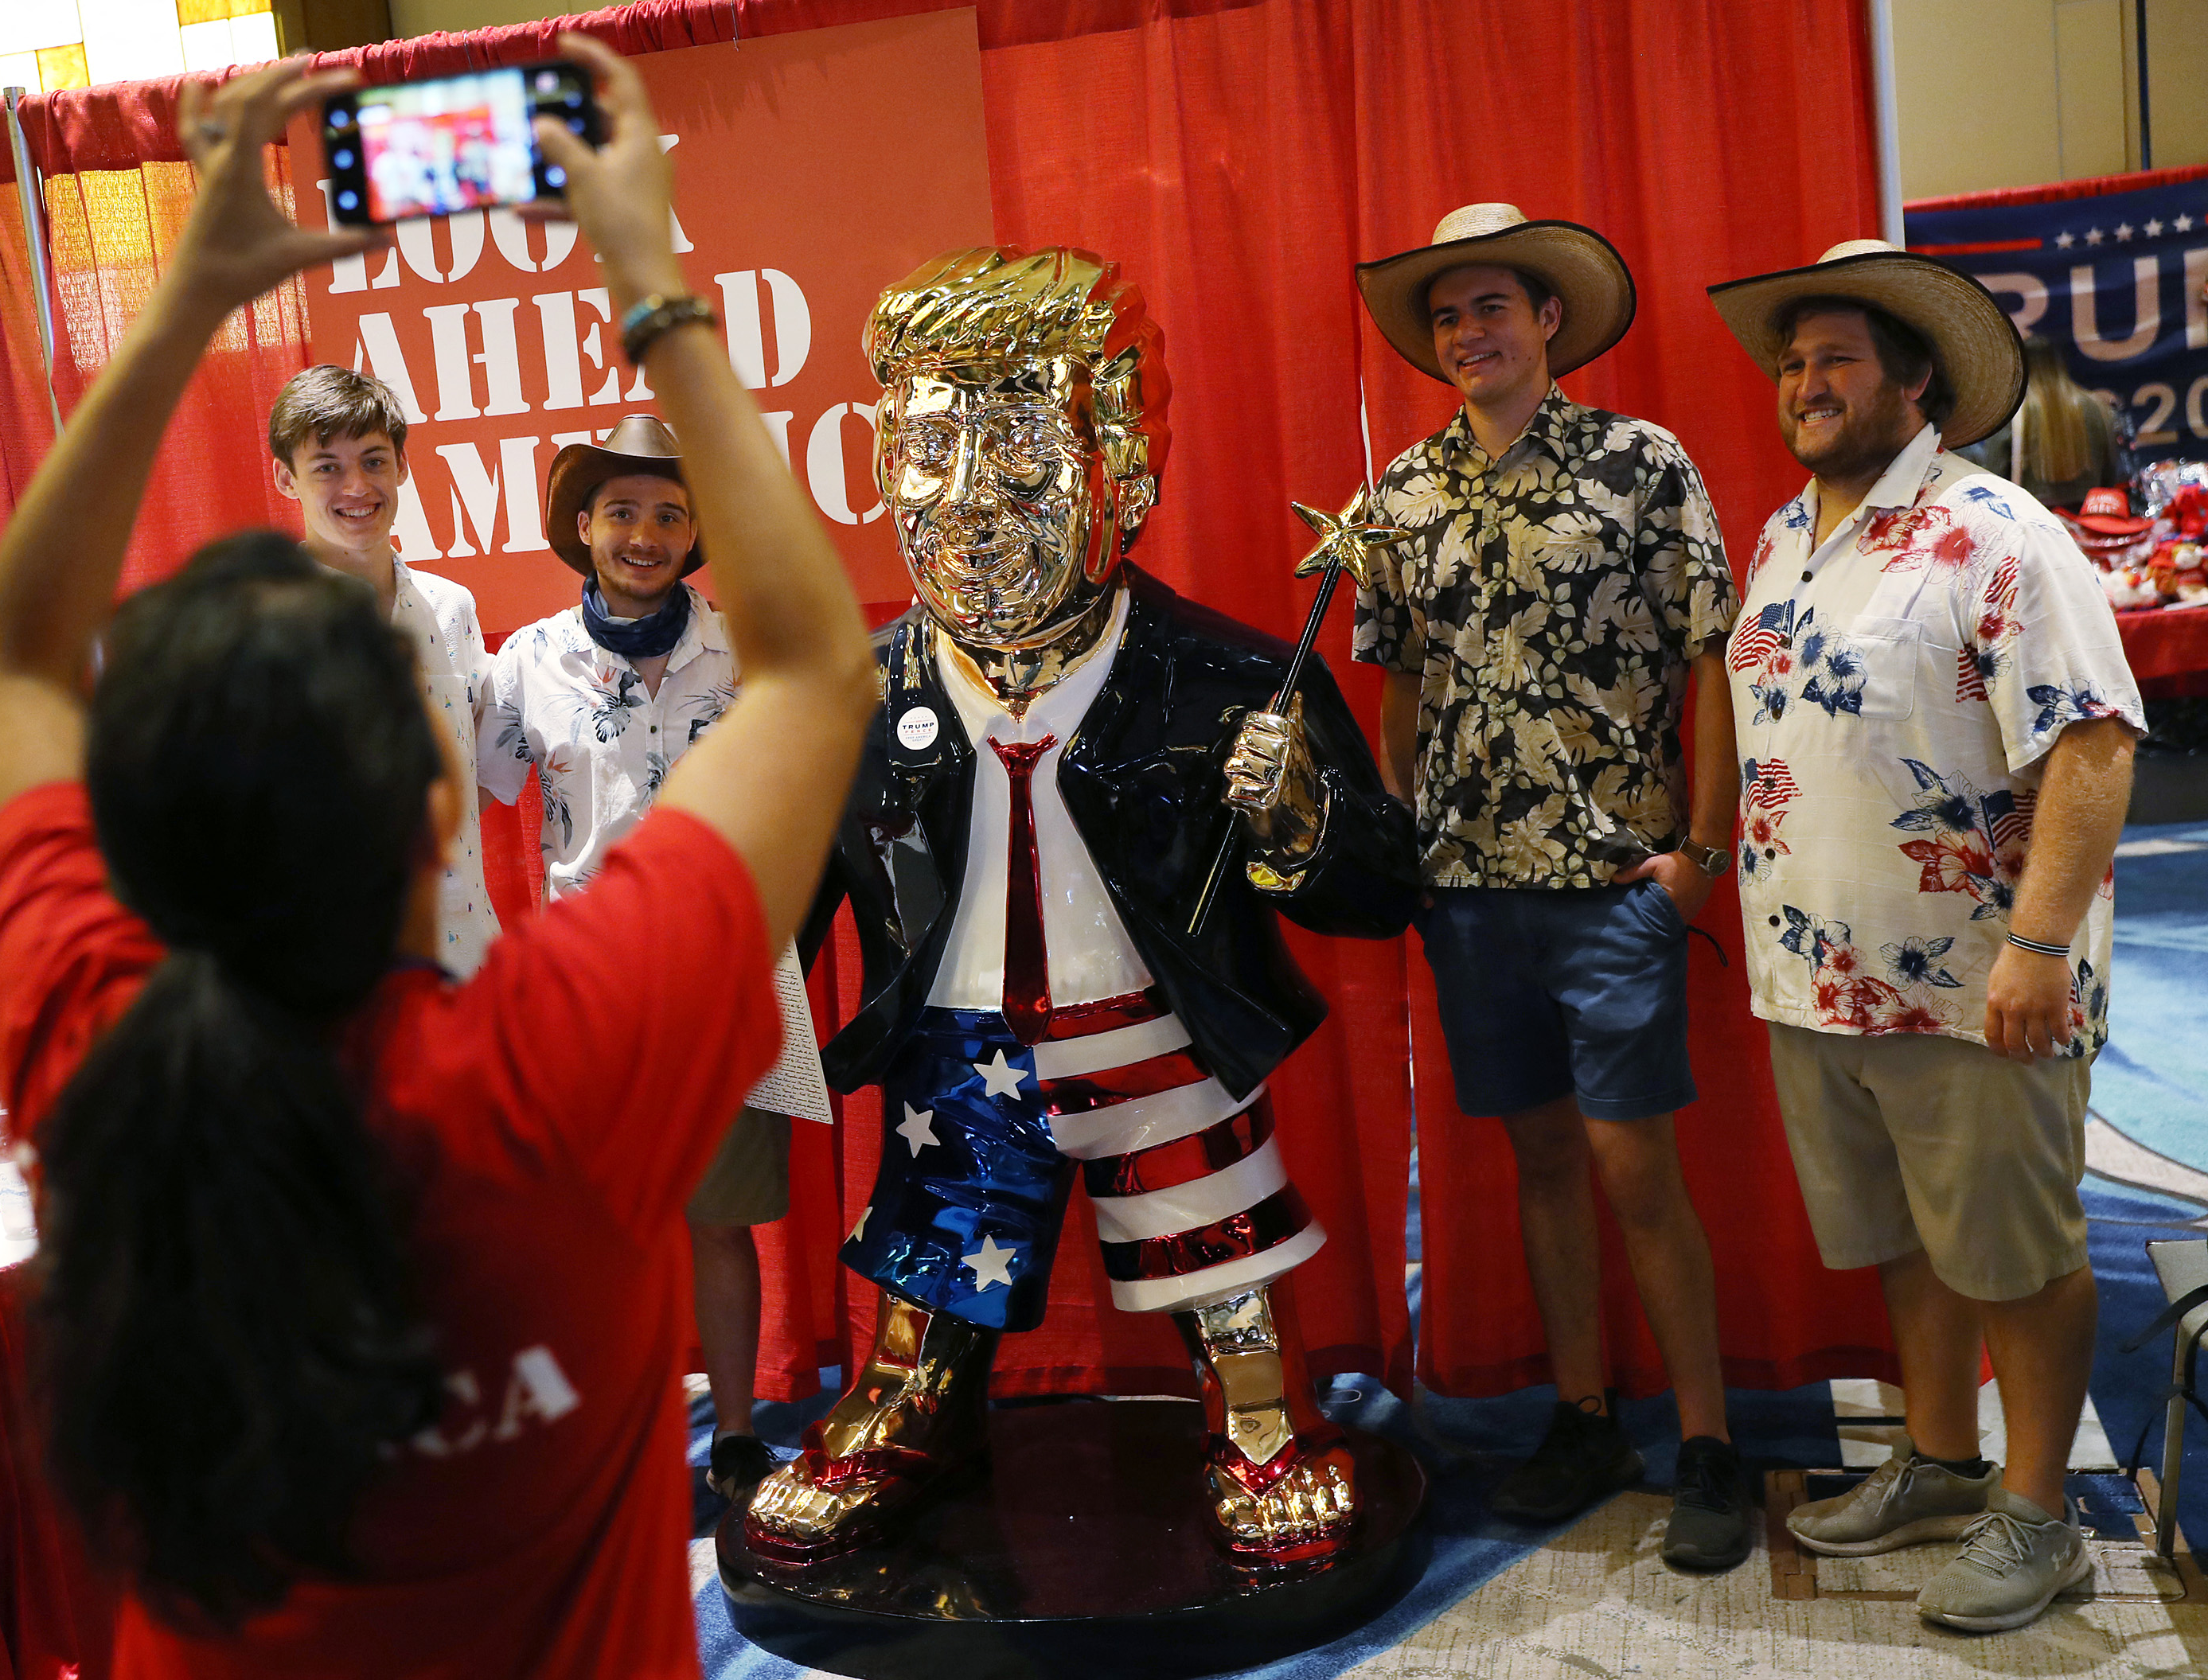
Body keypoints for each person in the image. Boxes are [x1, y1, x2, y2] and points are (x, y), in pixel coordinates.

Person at [0, 41, 872, 1678]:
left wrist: (186, 304)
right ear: (443, 802)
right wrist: (649, 276)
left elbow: (12, 658)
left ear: (141, 837)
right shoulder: (570, 1055)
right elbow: (820, 668)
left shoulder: (99, 1055)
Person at [743, 245, 1424, 1565]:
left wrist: (1301, 822)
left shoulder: (1228, 679)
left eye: (1017, 450)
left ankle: (1260, 1410)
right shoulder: (850, 698)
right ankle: (912, 1400)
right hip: (958, 1052)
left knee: (1219, 1247)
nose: (967, 500)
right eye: (927, 449)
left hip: (1156, 1039)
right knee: (935, 1246)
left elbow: (1382, 894)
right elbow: (782, 893)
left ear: (1122, 464)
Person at [1708, 239, 2144, 1632]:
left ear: (1917, 382)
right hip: (1818, 977)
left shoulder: (2000, 532)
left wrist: (2040, 943)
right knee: (1910, 1236)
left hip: (1978, 980)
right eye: (1793, 361)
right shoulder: (1781, 537)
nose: (1804, 382)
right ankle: (1946, 1460)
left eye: (1836, 358)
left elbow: (2092, 744)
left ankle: (2041, 1514)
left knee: (2018, 1248)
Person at [1349, 204, 1748, 1570]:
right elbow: (1400, 683)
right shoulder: (1402, 495)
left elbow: (1710, 653)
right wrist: (1403, 837)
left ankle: (1709, 1441)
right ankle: (1585, 1417)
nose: (1470, 333)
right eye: (1448, 316)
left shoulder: (1643, 463)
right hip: (1468, 893)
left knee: (1638, 1165)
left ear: (1549, 319)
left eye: (1493, 308)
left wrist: (1703, 853)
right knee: (1539, 1160)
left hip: (1614, 886)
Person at [478, 415, 788, 1505]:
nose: (644, 535)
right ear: (583, 525)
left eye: (667, 514)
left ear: (695, 531)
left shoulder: (746, 653)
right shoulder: (524, 663)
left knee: (718, 1217)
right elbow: (467, 783)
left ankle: (738, 1433)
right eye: (621, 512)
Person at [267, 363, 499, 977]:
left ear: (402, 466)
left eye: (373, 460)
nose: (357, 486)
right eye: (327, 467)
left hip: (466, 954)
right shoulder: (262, 629)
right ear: (287, 479)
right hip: (337, 973)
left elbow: (473, 770)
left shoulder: (451, 608)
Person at [1960, 336, 2117, 511]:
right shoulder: (2097, 408)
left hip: (2032, 515)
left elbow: (1995, 475)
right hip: (2089, 514)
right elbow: (2111, 472)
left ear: (2020, 366)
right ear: (2060, 363)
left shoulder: (2014, 413)